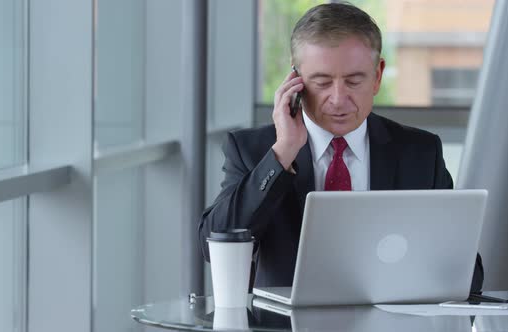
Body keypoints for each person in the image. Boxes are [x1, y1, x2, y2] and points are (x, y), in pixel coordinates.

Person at [198, 2, 483, 293]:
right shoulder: (253, 150)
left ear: (378, 76)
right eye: (321, 82)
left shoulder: (420, 153)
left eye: (353, 81)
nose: (338, 99)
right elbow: (214, 244)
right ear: (295, 81)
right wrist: (283, 152)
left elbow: (467, 274)